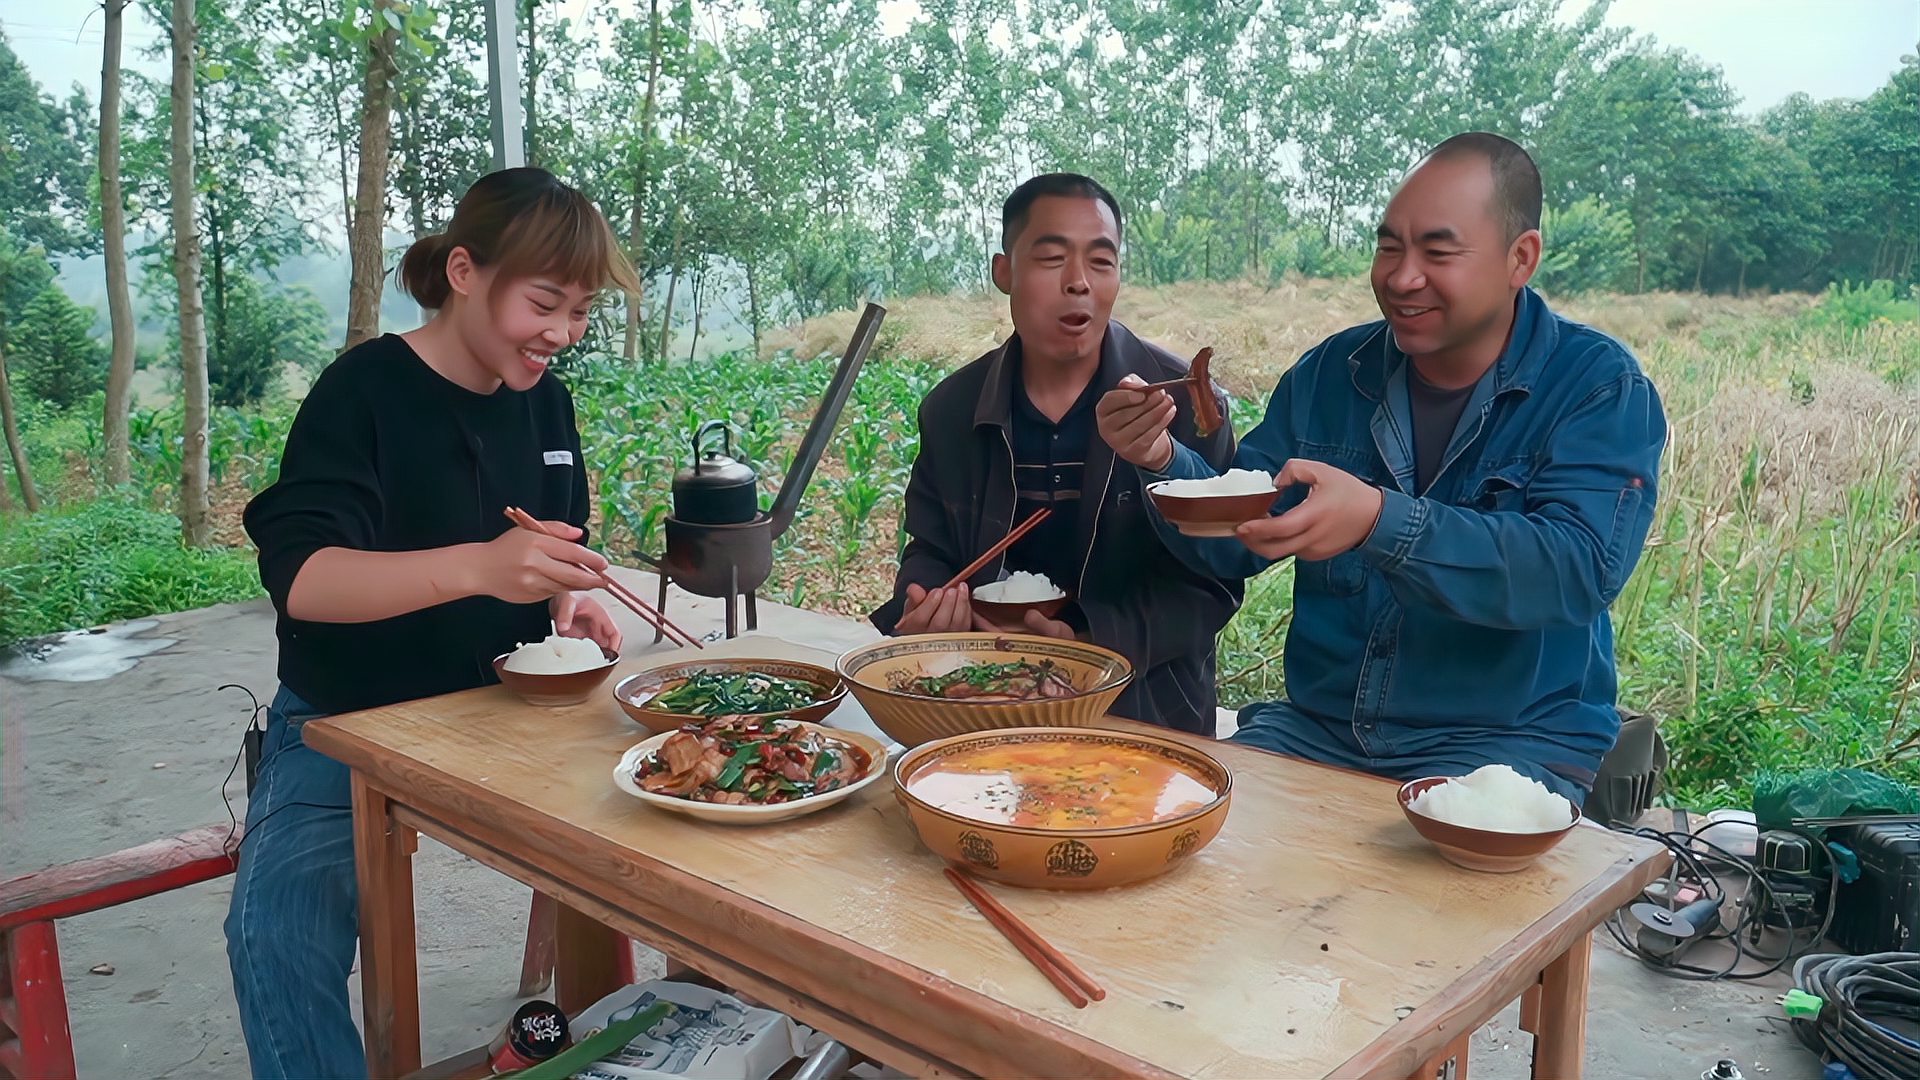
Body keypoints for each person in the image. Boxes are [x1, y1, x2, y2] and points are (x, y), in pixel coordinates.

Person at [1096, 133, 1667, 801]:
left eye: (1438, 251)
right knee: (1183, 833)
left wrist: (1378, 520)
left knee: (1444, 896)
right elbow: (1238, 537)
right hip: (1322, 731)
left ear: (1521, 259)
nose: (1401, 277)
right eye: (1389, 246)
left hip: (1509, 745)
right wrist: (1160, 457)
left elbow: (1577, 568)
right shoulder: (1332, 376)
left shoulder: (1595, 386)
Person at [227, 167, 641, 1078]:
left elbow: (547, 545)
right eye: (544, 304)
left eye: (579, 313)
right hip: (352, 720)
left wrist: (567, 597)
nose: (561, 335)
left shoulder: (545, 401)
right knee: (276, 931)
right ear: (464, 271)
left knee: (668, 845)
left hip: (508, 708)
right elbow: (303, 578)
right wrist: (478, 567)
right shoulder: (364, 391)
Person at [871, 173, 1241, 735]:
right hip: (986, 701)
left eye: (1101, 261)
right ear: (1005, 273)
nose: (1079, 284)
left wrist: (1089, 647)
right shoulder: (953, 408)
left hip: (1146, 710)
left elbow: (1214, 582)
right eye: (1051, 259)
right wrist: (926, 600)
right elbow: (932, 548)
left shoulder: (1181, 399)